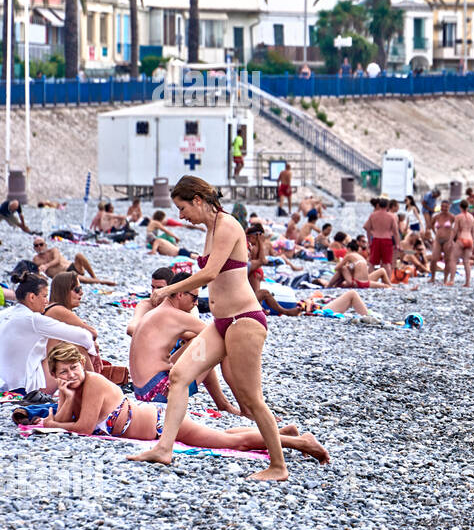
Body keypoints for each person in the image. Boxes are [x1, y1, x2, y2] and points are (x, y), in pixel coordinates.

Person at [127, 176, 289, 481]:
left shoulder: (227, 225)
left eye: (183, 207)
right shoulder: (210, 228)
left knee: (251, 398)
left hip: (244, 321)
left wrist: (165, 291)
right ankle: (164, 449)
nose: (181, 215)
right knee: (179, 375)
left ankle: (278, 466)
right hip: (221, 323)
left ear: (199, 200)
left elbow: (210, 272)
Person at [43, 344, 327, 460]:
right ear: (54, 375)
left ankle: (301, 443)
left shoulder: (92, 383)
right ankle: (283, 433)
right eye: (63, 372)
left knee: (230, 443)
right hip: (155, 421)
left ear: (83, 365)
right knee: (222, 435)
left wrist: (55, 418)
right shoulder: (73, 390)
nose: (71, 375)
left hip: (161, 424)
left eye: (74, 368)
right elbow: (64, 420)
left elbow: (80, 427)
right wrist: (65, 397)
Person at [129, 278, 241, 415]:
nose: (197, 303)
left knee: (200, 344)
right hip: (158, 394)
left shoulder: (154, 313)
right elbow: (218, 335)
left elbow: (194, 337)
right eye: (194, 298)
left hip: (142, 394)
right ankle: (246, 406)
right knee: (216, 344)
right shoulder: (176, 316)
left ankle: (223, 404)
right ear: (180, 294)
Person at [0, 273, 97, 394]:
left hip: (4, 385)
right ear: (31, 297)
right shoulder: (33, 319)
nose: (46, 301)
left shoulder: (5, 313)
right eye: (44, 296)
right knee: (75, 345)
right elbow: (84, 336)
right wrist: (93, 353)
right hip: (25, 389)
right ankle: (94, 388)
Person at [32, 236, 115, 285]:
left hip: (72, 267)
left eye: (41, 244)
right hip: (63, 275)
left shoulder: (53, 250)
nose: (39, 247)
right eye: (36, 245)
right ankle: (101, 282)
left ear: (45, 245)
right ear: (34, 248)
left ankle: (94, 277)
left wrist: (46, 265)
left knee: (79, 255)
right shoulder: (36, 259)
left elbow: (57, 260)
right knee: (74, 276)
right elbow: (35, 272)